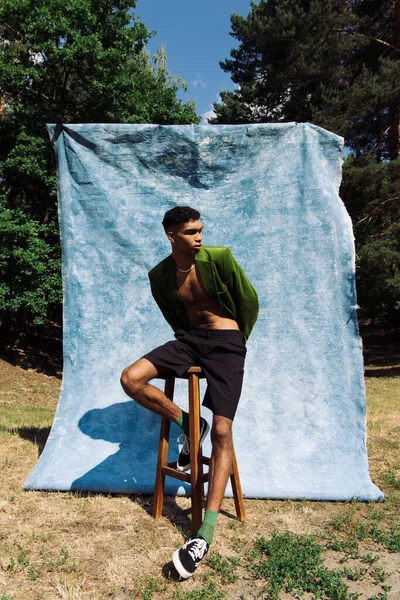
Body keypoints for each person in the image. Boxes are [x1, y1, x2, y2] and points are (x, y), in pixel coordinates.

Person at [120, 205, 259, 579]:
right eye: (191, 232)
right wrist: (189, 340)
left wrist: (235, 342)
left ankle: (203, 535)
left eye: (200, 230)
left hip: (227, 342)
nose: (199, 237)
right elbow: (172, 311)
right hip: (188, 340)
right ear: (171, 236)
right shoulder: (161, 275)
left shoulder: (220, 258)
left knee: (223, 432)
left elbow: (248, 301)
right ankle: (188, 421)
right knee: (131, 378)